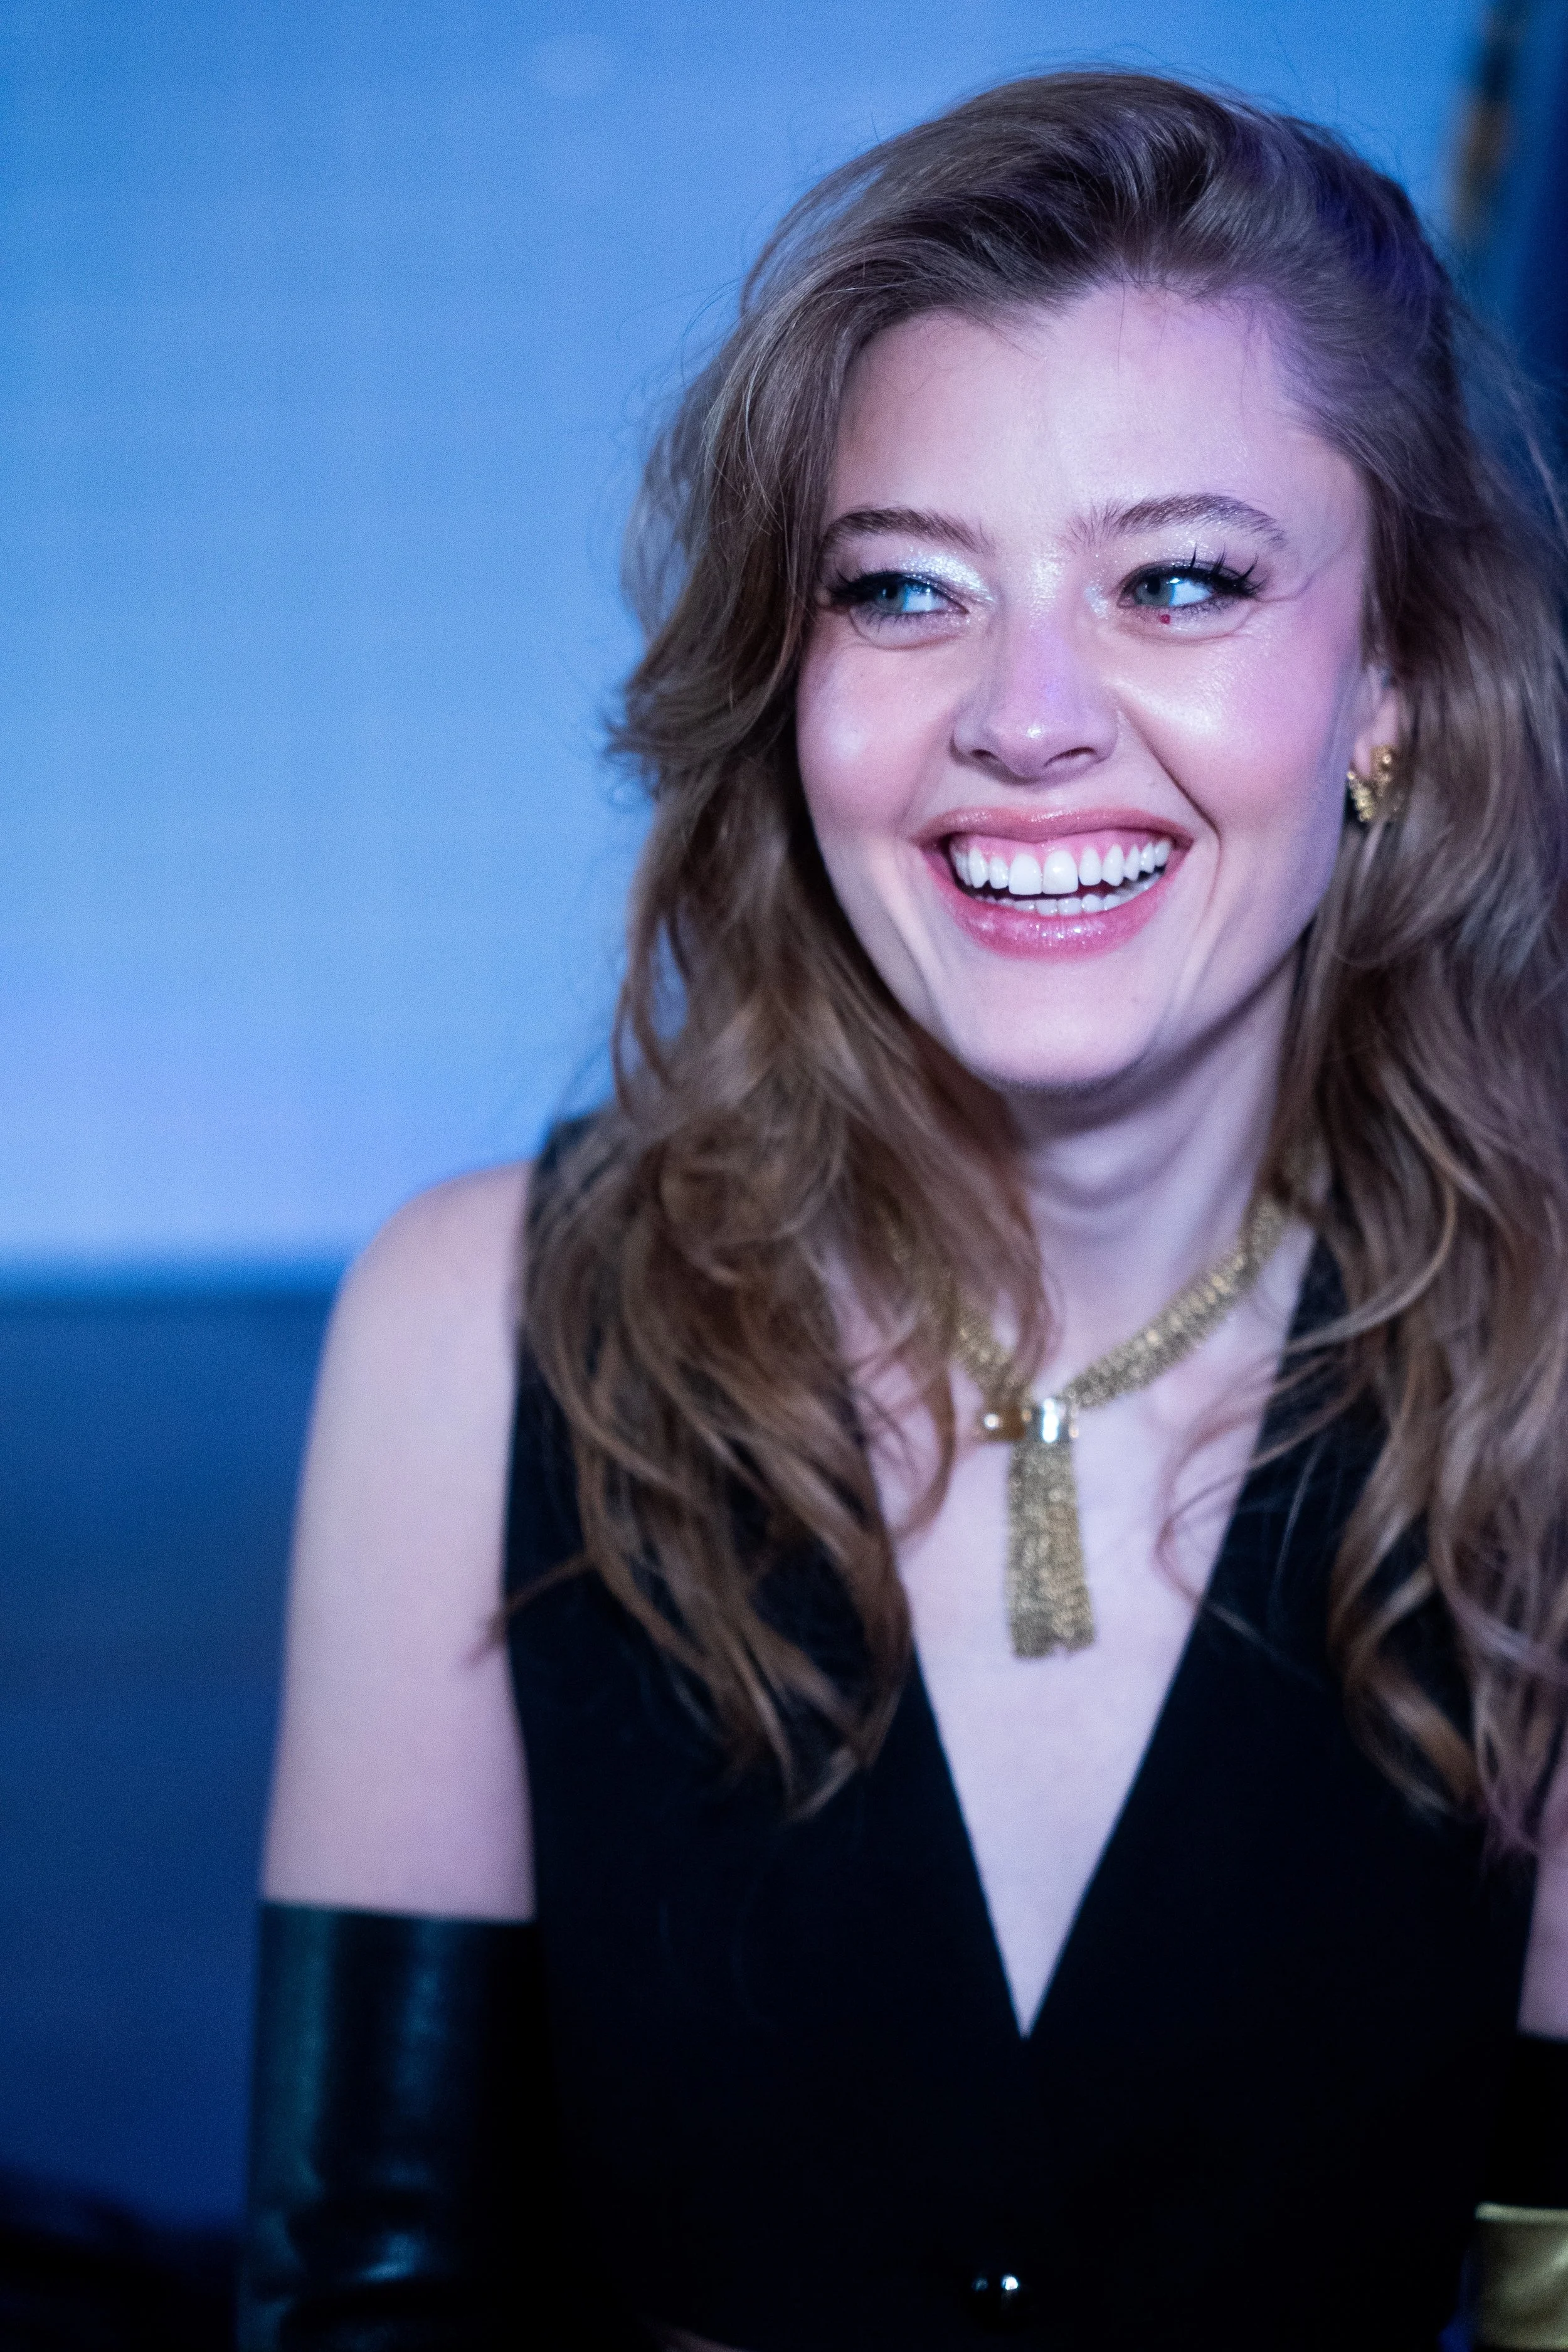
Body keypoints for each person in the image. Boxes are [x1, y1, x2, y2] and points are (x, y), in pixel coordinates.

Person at [237, 69, 1568, 2352]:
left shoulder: (1549, 1368)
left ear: (1395, 684)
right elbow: (368, 2303)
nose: (1025, 714)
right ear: (796, 687)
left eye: (1177, 579)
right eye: (904, 591)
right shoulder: (472, 1335)